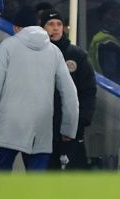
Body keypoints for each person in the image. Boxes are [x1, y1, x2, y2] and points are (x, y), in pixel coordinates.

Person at [0, 6, 79, 170]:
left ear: (15, 28)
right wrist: (69, 128)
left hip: (8, 127)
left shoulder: (7, 46)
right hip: (41, 129)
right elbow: (70, 94)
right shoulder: (54, 51)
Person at [40, 9, 96, 170]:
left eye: (59, 24)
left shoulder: (77, 55)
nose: (55, 28)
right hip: (43, 128)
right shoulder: (36, 54)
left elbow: (88, 90)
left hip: (70, 128)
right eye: (50, 24)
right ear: (42, 28)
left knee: (73, 174)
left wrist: (81, 121)